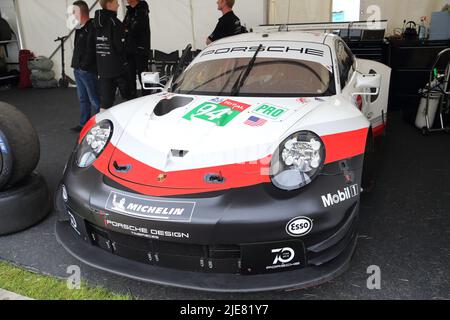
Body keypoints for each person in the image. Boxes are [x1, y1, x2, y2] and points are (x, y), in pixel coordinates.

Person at [93, 0, 131, 112]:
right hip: (117, 68)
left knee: (105, 102)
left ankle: (102, 125)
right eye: (116, 3)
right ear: (109, 4)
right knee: (128, 97)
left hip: (103, 68)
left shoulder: (95, 23)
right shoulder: (115, 23)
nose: (118, 5)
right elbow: (119, 47)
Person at [70, 1, 100, 132]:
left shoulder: (92, 27)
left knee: (94, 99)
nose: (72, 15)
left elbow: (91, 50)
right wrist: (77, 66)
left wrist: (84, 66)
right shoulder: (79, 28)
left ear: (81, 12)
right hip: (78, 68)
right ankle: (83, 124)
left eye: (74, 12)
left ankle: (99, 124)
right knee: (83, 98)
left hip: (87, 70)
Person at [123, 0, 151, 97]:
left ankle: (147, 97)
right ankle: (132, 98)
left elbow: (135, 29)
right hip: (129, 49)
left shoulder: (142, 9)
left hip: (140, 49)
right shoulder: (129, 11)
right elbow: (124, 27)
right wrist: (126, 30)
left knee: (143, 76)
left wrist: (127, 30)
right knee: (130, 76)